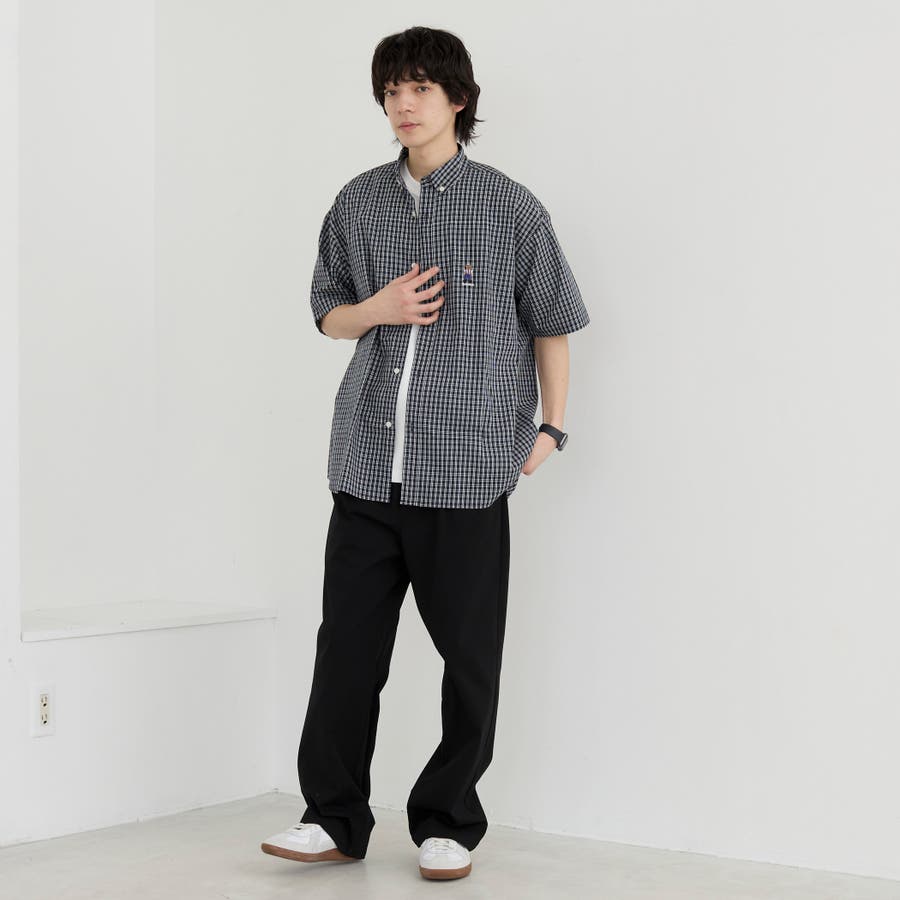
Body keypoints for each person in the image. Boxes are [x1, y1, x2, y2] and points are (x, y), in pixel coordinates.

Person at [261, 25, 590, 881]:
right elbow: (328, 313)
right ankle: (333, 817)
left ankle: (448, 822)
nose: (403, 105)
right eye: (391, 91)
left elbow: (552, 323)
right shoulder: (357, 203)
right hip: (367, 469)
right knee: (346, 653)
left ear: (457, 99)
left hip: (467, 473)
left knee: (469, 661)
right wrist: (379, 308)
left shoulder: (510, 208)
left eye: (419, 88)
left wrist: (551, 429)